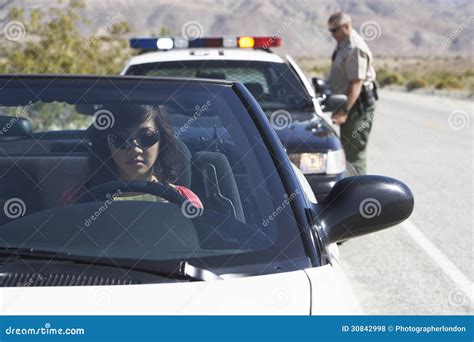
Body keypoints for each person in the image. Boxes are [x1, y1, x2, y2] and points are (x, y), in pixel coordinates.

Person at [60, 104, 202, 208]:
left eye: (147, 137)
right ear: (106, 145)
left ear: (163, 140)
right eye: (120, 140)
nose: (135, 149)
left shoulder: (186, 201)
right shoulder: (77, 199)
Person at [327, 11, 377, 175]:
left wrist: (344, 111)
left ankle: (360, 195)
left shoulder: (355, 47)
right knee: (346, 152)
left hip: (357, 107)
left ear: (346, 26)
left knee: (354, 155)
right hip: (350, 105)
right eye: (330, 31)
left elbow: (356, 84)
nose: (332, 35)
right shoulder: (343, 45)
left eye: (335, 30)